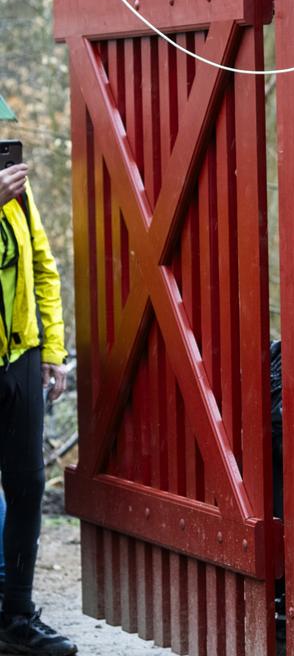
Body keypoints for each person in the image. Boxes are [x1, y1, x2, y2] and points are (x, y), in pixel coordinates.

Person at [0, 162, 75, 655]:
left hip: (21, 357)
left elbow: (43, 269)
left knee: (27, 484)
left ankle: (16, 618)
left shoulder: (19, 198)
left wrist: (52, 351)